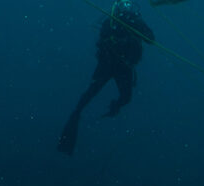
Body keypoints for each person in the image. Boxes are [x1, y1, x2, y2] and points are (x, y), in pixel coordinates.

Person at [58, 0, 155, 155]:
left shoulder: (132, 22)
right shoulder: (112, 21)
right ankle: (74, 125)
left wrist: (135, 32)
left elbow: (150, 39)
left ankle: (106, 110)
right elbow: (103, 39)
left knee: (122, 97)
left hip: (119, 67)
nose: (126, 12)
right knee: (92, 96)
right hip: (111, 66)